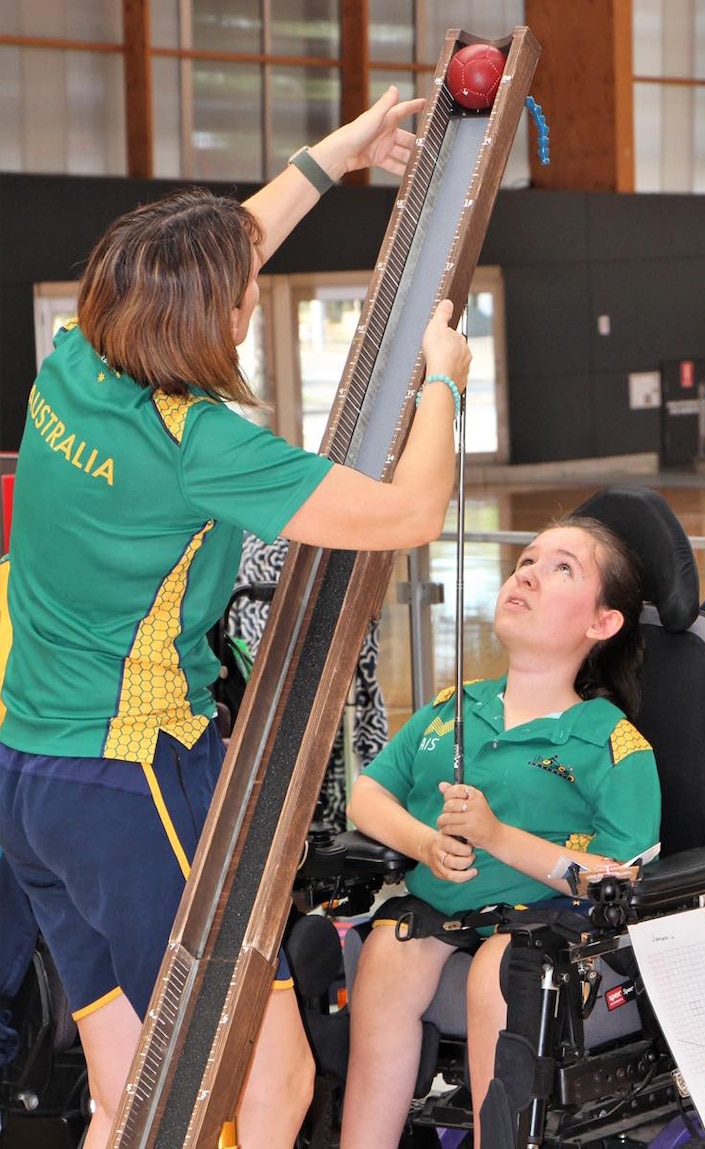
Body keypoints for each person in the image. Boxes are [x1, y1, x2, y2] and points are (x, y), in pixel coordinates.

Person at [0, 86, 471, 1149]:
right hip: (127, 786)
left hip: (25, 777)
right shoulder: (197, 445)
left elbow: (220, 249)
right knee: (268, 1082)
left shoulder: (75, 355)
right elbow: (407, 513)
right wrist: (444, 382)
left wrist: (335, 154)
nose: (251, 293)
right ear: (217, 316)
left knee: (123, 1095)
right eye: (243, 292)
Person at [341, 514, 662, 1149]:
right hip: (446, 914)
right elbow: (368, 793)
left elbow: (621, 879)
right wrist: (424, 843)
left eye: (562, 568)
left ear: (602, 624)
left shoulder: (613, 743)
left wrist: (495, 835)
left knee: (500, 969)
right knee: (388, 948)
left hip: (552, 932)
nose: (530, 573)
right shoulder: (454, 707)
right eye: (528, 560)